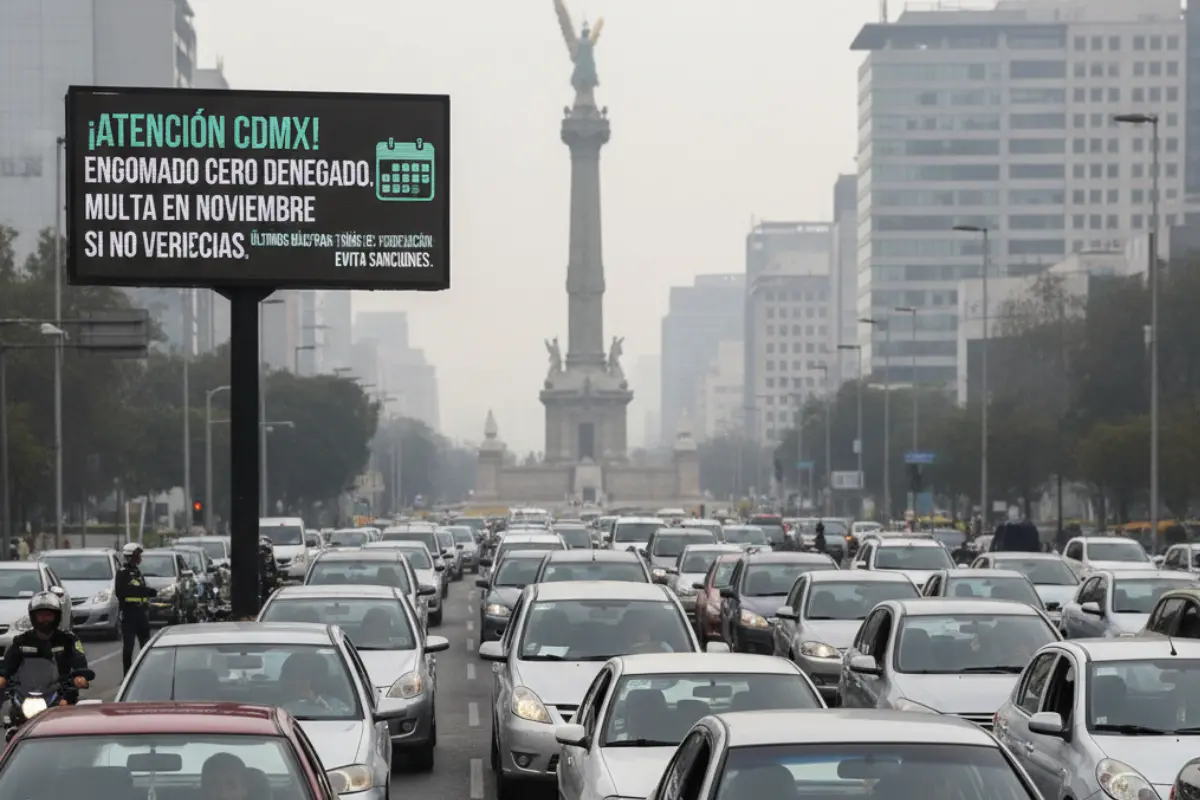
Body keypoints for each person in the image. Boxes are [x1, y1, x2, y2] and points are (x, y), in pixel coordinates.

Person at [0, 591, 90, 702]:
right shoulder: (22, 641)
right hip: (26, 693)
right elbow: (8, 666)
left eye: (48, 616)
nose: (44, 620)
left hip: (61, 694)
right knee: (8, 707)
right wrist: (3, 677)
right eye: (41, 616)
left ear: (56, 617)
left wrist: (80, 677)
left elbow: (79, 662)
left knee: (71, 708)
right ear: (33, 617)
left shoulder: (68, 640)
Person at [116, 542, 157, 674]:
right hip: (129, 615)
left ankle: (146, 673)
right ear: (130, 557)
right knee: (128, 647)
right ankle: (127, 675)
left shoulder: (137, 572)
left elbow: (141, 591)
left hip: (141, 614)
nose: (139, 558)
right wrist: (145, 591)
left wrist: (148, 602)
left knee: (146, 646)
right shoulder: (122, 573)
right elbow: (123, 592)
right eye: (137, 555)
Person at [258, 537, 278, 603]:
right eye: (261, 550)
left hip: (266, 586)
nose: (263, 552)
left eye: (265, 550)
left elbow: (275, 571)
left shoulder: (271, 560)